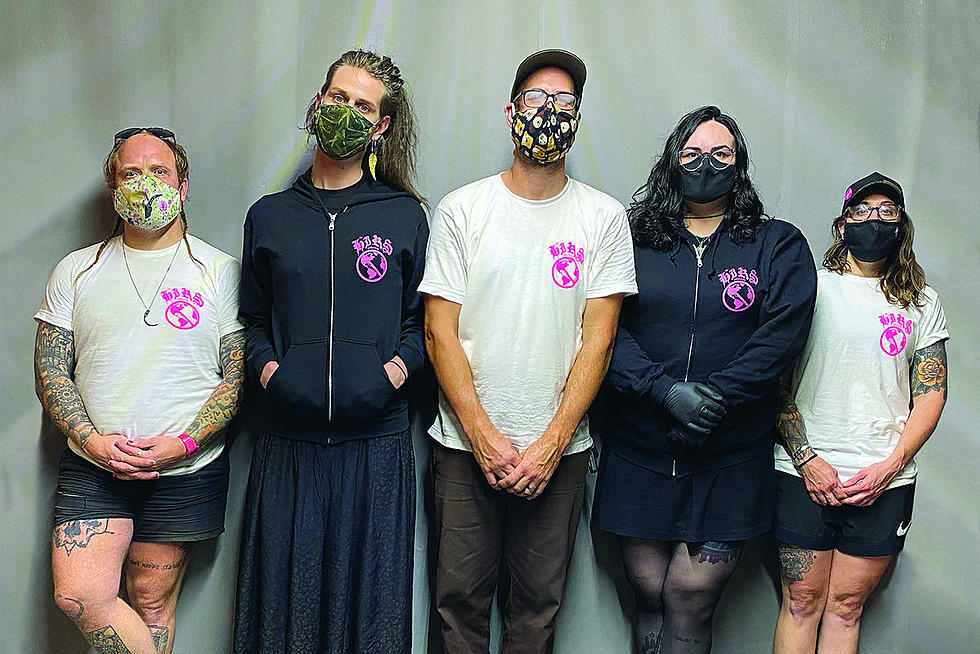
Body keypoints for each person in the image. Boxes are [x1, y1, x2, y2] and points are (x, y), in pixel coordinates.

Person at [421, 48, 637, 653]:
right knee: (457, 608)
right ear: (511, 111)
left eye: (565, 102)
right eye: (537, 98)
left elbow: (599, 340)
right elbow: (439, 332)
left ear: (578, 120)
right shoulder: (462, 209)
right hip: (463, 447)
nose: (550, 111)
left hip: (560, 454)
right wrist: (483, 435)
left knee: (537, 611)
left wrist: (551, 443)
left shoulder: (603, 217)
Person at [593, 105, 817, 654]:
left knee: (690, 595)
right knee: (648, 591)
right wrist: (665, 392)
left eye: (721, 154)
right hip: (640, 445)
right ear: (673, 161)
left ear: (739, 164)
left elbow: (782, 335)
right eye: (692, 154)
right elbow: (601, 327)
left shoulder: (777, 243)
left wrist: (711, 400)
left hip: (729, 451)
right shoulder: (629, 237)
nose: (706, 164)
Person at [234, 49, 428, 654]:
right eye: (338, 97)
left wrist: (389, 375)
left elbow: (423, 325)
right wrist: (273, 373)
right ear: (319, 101)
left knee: (370, 623)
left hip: (376, 448)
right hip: (287, 447)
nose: (346, 111)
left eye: (363, 106)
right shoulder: (269, 217)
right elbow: (253, 318)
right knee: (281, 620)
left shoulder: (404, 216)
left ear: (381, 127)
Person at [35, 127, 245, 654]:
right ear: (113, 187)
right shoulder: (76, 270)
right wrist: (92, 441)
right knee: (80, 595)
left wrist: (184, 444)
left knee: (151, 603)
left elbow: (235, 377)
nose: (145, 182)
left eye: (159, 171)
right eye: (131, 173)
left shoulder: (220, 271)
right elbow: (51, 371)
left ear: (182, 184)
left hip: (185, 466)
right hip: (94, 463)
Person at [772, 172, 948, 654]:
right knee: (801, 601)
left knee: (847, 607)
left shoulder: (921, 301)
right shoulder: (810, 289)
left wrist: (890, 467)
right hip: (803, 472)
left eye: (887, 212)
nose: (875, 220)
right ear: (842, 223)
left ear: (902, 225)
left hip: (885, 478)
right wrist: (807, 459)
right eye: (863, 211)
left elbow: (931, 393)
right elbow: (774, 381)